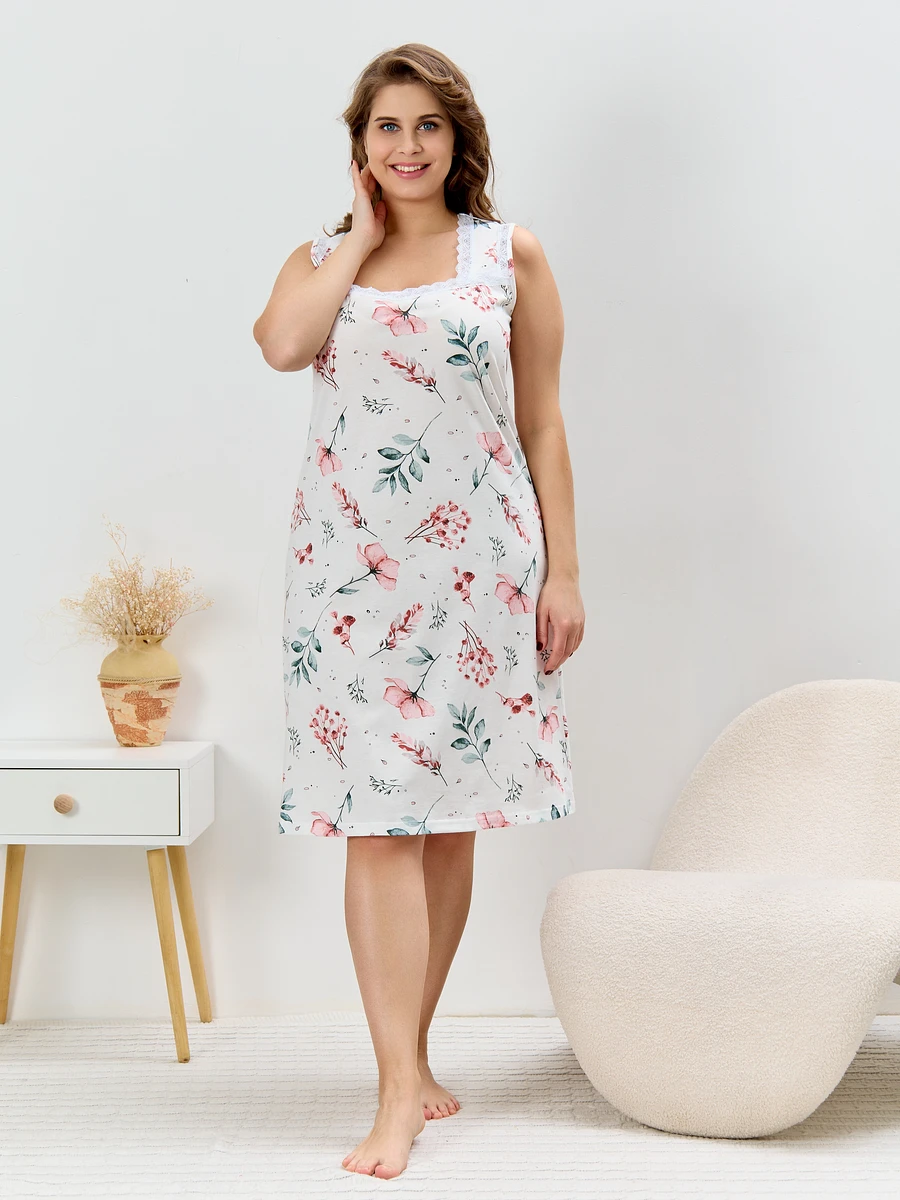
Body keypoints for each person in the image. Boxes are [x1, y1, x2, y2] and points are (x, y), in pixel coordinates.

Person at [253, 42, 584, 1181]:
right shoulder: (322, 260)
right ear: (361, 145)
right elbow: (282, 345)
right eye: (386, 128)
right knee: (377, 821)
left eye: (426, 126)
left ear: (457, 139)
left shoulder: (508, 255)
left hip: (480, 574)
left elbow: (542, 424)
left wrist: (565, 573)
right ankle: (397, 1089)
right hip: (351, 581)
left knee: (445, 822)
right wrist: (356, 236)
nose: (407, 147)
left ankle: (414, 1054)